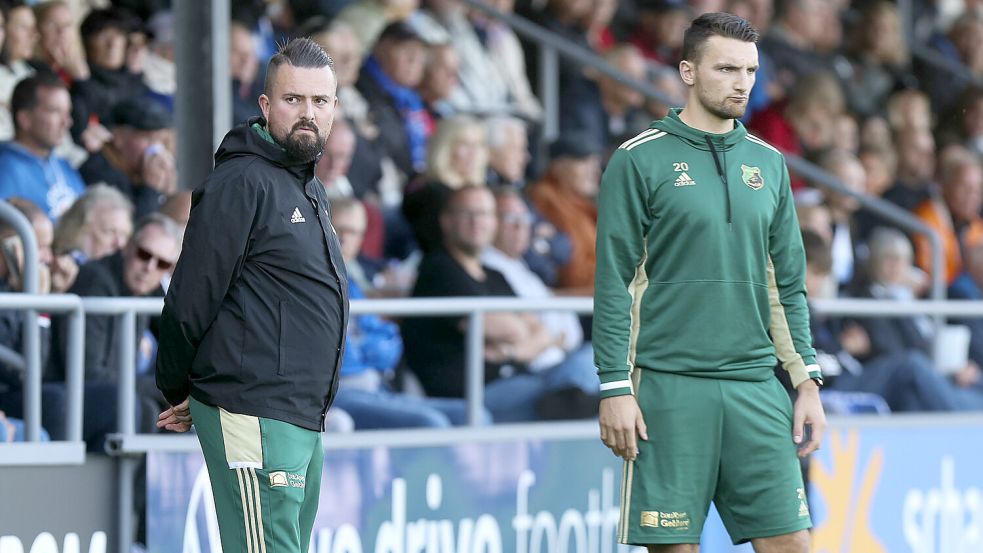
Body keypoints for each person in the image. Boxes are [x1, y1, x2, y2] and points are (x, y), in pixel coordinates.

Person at [593, 13, 825, 550]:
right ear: (688, 71)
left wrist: (807, 381)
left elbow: (786, 285)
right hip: (669, 390)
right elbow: (614, 284)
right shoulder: (637, 160)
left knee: (795, 544)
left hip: (757, 388)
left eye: (750, 70)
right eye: (726, 68)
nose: (742, 82)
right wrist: (614, 386)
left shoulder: (769, 164)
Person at [155, 38, 349, 553]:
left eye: (320, 101)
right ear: (266, 106)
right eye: (293, 100)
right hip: (253, 410)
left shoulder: (306, 186)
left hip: (300, 413)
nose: (307, 113)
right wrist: (177, 388)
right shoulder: (241, 181)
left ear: (335, 108)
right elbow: (190, 298)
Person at [0, 72, 86, 221]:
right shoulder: (5, 170)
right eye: (55, 111)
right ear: (25, 119)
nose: (67, 122)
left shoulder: (64, 166)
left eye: (67, 112)